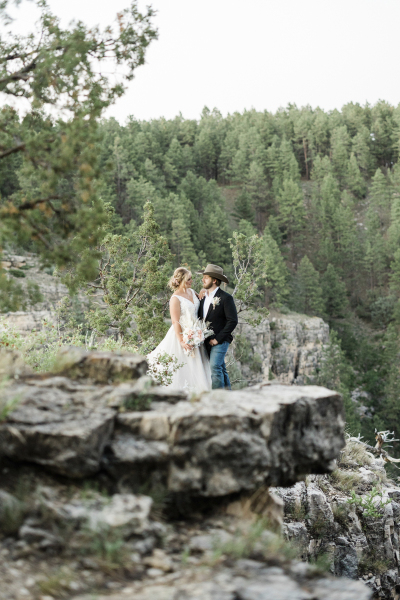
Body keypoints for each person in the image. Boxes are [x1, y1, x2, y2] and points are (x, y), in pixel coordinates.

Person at [147, 267, 212, 395]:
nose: (192, 281)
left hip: (195, 333)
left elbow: (197, 306)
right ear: (181, 280)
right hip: (182, 334)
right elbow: (175, 321)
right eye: (189, 279)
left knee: (198, 365)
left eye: (191, 278)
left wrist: (203, 291)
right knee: (182, 366)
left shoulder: (192, 292)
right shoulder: (175, 298)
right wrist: (182, 340)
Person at [197, 264, 238, 389]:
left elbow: (232, 321)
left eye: (206, 278)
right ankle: (228, 396)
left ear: (214, 280)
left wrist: (217, 339)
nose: (203, 280)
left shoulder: (226, 298)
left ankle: (217, 398)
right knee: (220, 368)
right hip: (206, 340)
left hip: (220, 339)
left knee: (214, 366)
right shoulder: (203, 297)